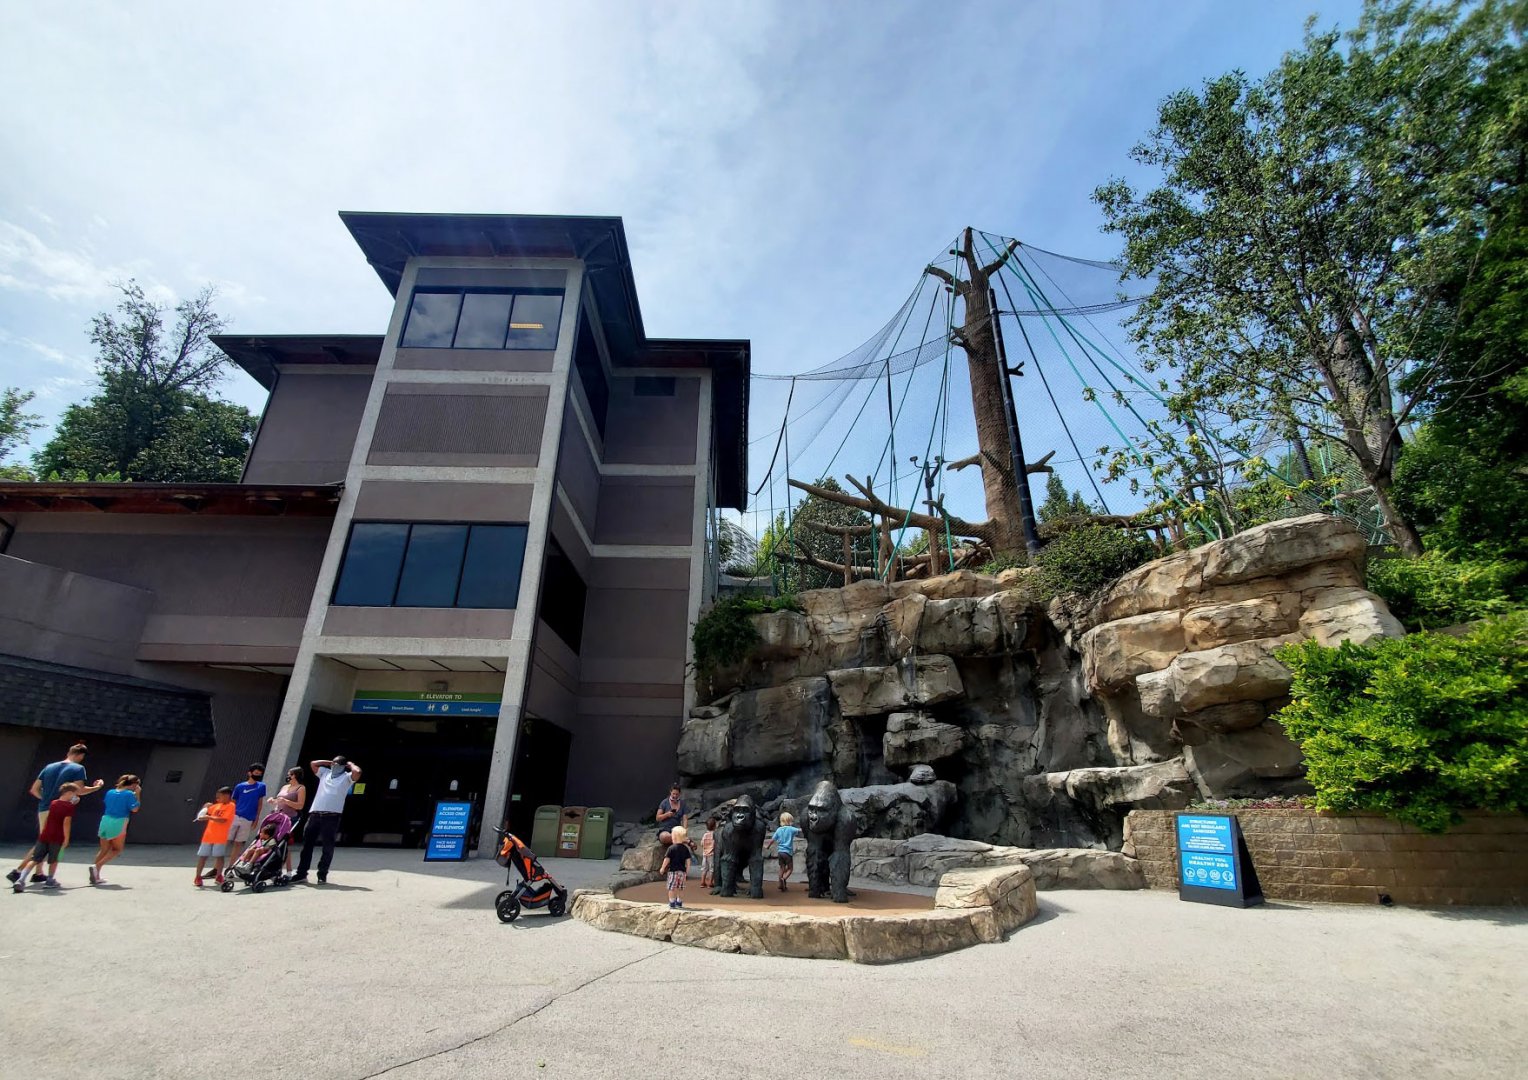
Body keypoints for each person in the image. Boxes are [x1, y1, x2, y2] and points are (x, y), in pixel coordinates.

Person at [291, 755, 361, 884]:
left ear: (343, 766)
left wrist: (350, 764)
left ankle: (322, 874)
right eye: (333, 764)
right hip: (315, 814)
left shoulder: (346, 777)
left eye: (337, 765)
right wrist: (329, 762)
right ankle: (301, 873)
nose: (334, 766)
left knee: (327, 846)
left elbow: (357, 772)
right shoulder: (325, 773)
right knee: (307, 845)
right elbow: (313, 763)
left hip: (332, 815)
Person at [9, 781, 85, 891]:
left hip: (45, 835)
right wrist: (66, 838)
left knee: (35, 858)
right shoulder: (69, 807)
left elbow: (53, 814)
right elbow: (66, 823)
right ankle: (50, 880)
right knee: (54, 860)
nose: (76, 796)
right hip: (57, 837)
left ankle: (21, 879)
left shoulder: (53, 803)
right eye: (75, 794)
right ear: (69, 793)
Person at [90, 774, 142, 885]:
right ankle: (96, 866)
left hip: (105, 820)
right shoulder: (129, 794)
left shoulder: (110, 792)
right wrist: (137, 795)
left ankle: (95, 874)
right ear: (134, 784)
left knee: (104, 849)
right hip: (119, 822)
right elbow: (135, 809)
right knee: (117, 849)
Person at [194, 786, 236, 887]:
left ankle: (219, 875)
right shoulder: (216, 806)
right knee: (202, 856)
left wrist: (209, 817)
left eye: (219, 797)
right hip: (208, 835)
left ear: (227, 796)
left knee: (219, 856)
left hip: (220, 836)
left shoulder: (231, 806)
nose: (217, 799)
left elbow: (223, 820)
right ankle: (198, 877)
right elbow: (205, 813)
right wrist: (205, 808)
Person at [229, 763, 268, 863]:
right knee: (226, 839)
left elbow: (260, 803)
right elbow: (233, 801)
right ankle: (217, 867)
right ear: (249, 773)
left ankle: (231, 865)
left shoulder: (261, 786)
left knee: (238, 843)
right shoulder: (240, 786)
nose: (257, 775)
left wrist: (256, 818)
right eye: (255, 773)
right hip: (235, 815)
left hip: (248, 817)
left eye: (259, 774)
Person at [272, 767, 307, 872]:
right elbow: (279, 800)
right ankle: (273, 866)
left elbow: (300, 806)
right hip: (277, 816)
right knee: (272, 841)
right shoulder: (284, 787)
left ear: (295, 775)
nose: (288, 777)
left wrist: (286, 801)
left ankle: (288, 870)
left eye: (290, 774)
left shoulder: (300, 788)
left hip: (289, 818)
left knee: (283, 843)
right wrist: (273, 801)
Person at [765, 811, 804, 893]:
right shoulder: (791, 829)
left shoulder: (779, 830)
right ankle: (784, 878)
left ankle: (780, 883)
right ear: (789, 821)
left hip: (780, 852)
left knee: (782, 868)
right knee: (790, 868)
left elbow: (772, 839)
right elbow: (800, 830)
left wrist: (767, 846)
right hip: (788, 852)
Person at [660, 825, 691, 910]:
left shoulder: (671, 848)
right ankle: (679, 901)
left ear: (674, 837)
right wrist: (688, 869)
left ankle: (672, 902)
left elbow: (667, 859)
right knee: (681, 888)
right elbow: (688, 860)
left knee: (671, 887)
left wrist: (663, 868)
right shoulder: (685, 849)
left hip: (673, 871)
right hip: (682, 872)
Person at [699, 817, 718, 889]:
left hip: (705, 854)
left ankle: (702, 882)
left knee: (704, 868)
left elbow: (701, 843)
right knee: (712, 869)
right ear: (714, 826)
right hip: (712, 854)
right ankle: (710, 883)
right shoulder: (715, 834)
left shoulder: (705, 835)